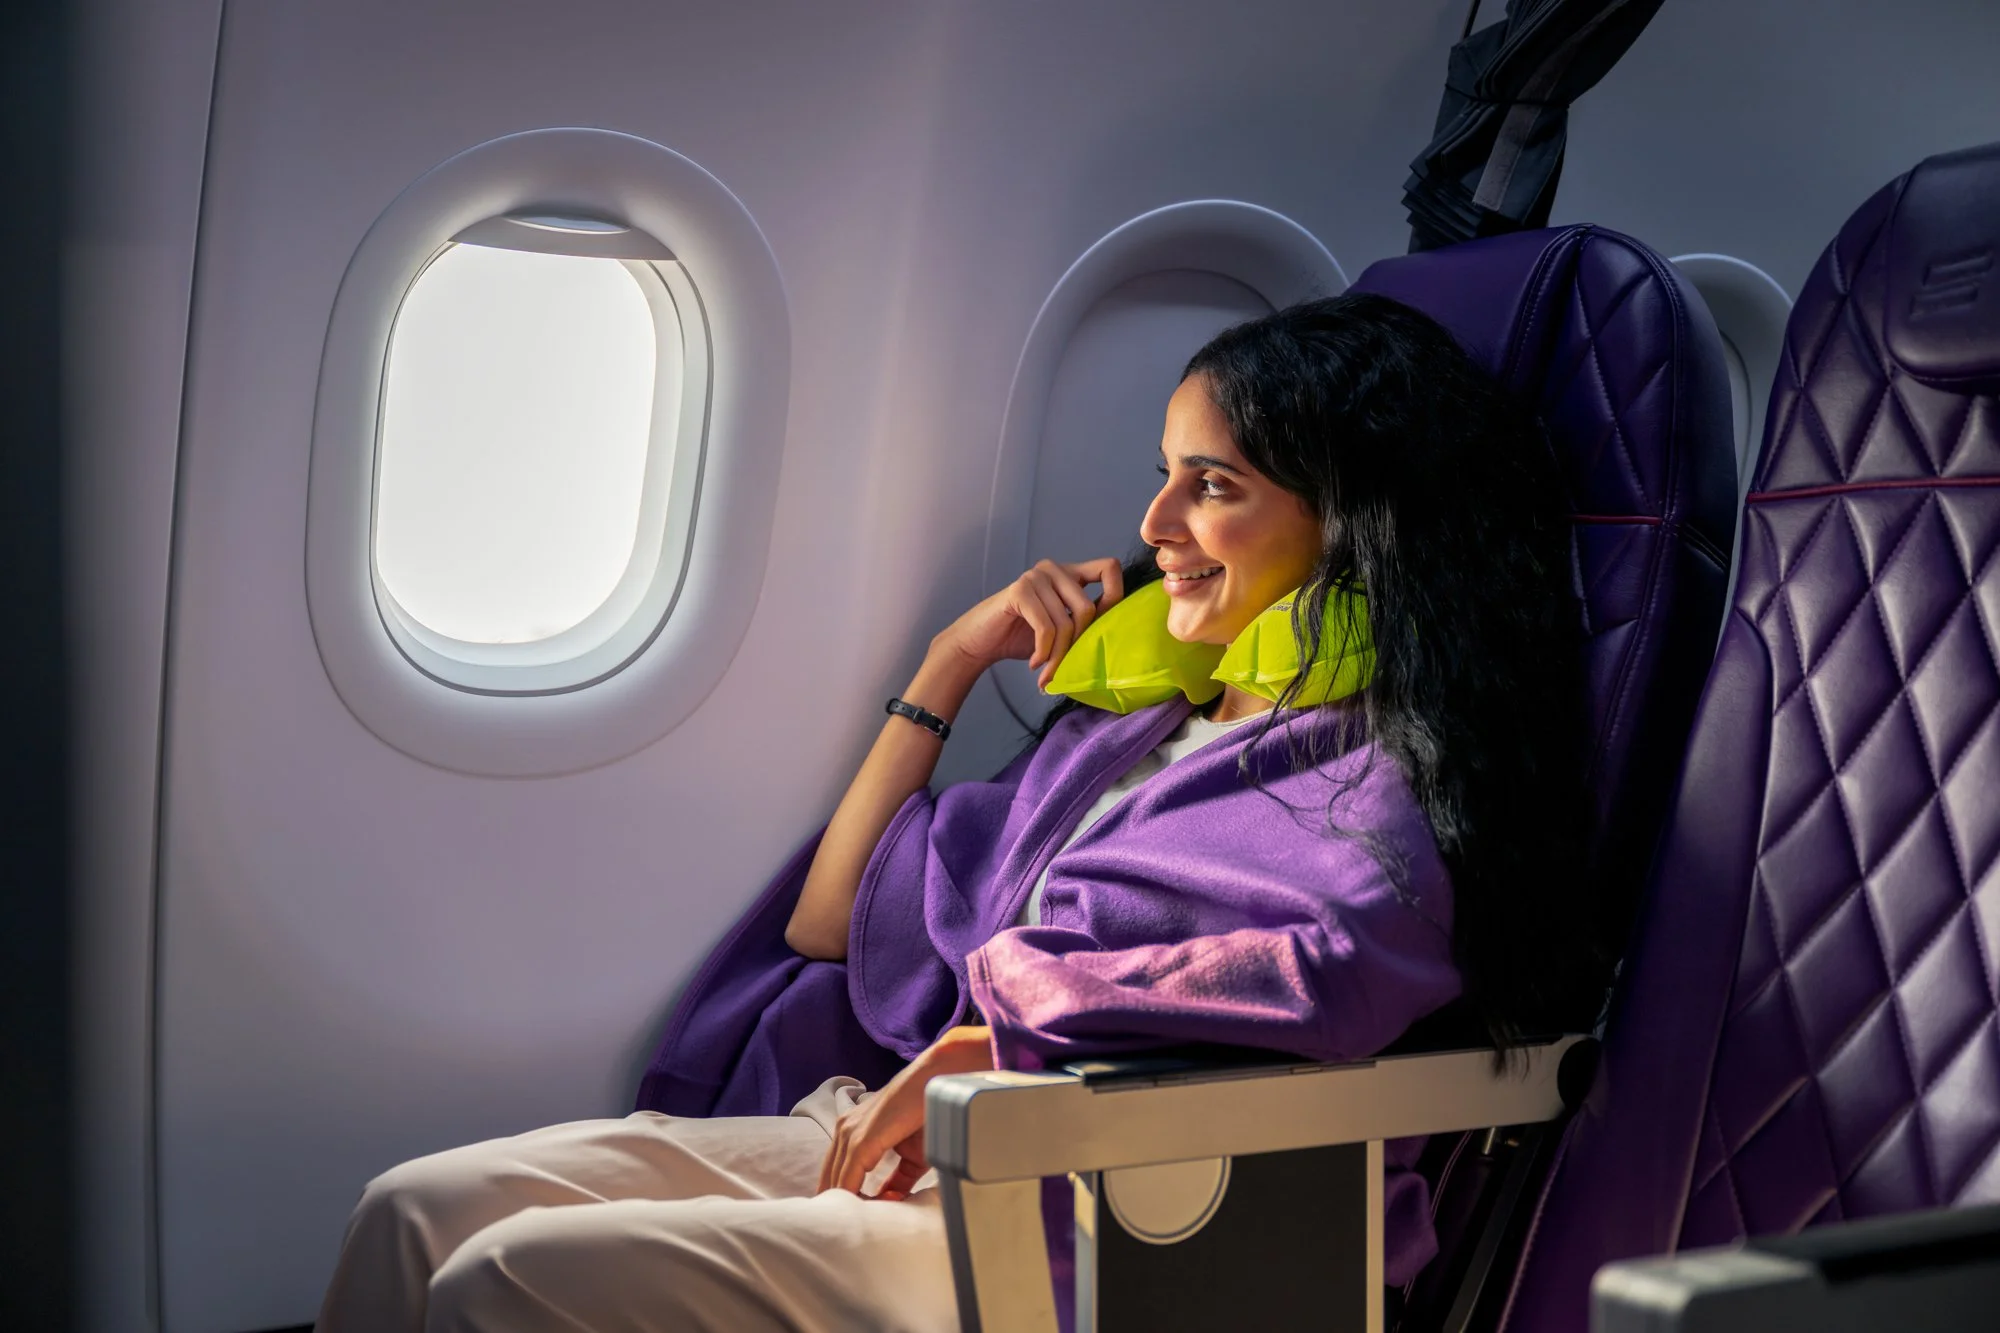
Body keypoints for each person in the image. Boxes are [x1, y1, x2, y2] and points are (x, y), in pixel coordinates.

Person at [316, 293, 1606, 1333]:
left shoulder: (1394, 767)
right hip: (937, 1140)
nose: (1155, 523)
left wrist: (1004, 1039)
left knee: (513, 1283)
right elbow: (833, 925)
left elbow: (1327, 974)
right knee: (417, 1210)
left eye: (1213, 486)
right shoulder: (1135, 728)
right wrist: (948, 664)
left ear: (1353, 522)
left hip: (1128, 1214)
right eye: (1164, 477)